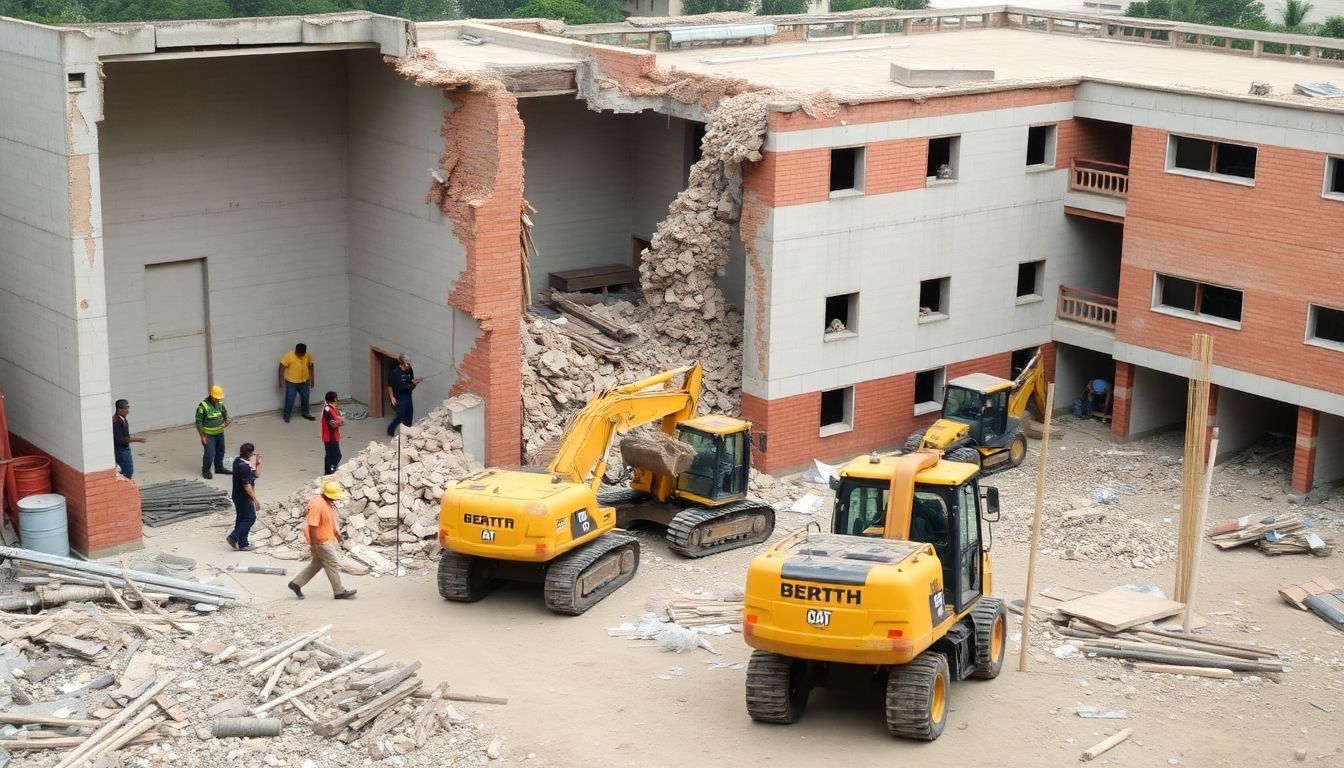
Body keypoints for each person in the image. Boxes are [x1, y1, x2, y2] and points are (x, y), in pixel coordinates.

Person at [287, 482, 357, 600]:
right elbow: (312, 526)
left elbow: (329, 522)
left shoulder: (327, 503)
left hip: (324, 540)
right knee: (332, 563)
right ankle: (339, 591)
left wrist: (337, 535)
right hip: (321, 542)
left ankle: (296, 583)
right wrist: (313, 544)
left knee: (316, 564)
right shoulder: (318, 505)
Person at [227, 443, 262, 551]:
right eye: (251, 453)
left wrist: (258, 463)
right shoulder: (244, 468)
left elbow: (256, 474)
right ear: (248, 453)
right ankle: (233, 537)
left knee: (241, 518)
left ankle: (243, 543)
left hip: (237, 496)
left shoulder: (237, 461)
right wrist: (255, 499)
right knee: (250, 518)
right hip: (244, 497)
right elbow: (246, 485)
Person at [196, 385, 233, 479]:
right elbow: (198, 422)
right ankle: (206, 471)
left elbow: (224, 412)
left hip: (220, 433)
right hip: (209, 435)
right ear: (211, 396)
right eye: (216, 398)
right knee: (210, 453)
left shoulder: (220, 404)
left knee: (220, 451)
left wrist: (226, 420)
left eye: (219, 398)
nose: (218, 400)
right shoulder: (203, 406)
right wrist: (202, 436)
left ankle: (219, 467)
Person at [385, 354, 422, 437]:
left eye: (410, 363)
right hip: (400, 396)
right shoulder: (395, 373)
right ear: (401, 363)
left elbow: (411, 380)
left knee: (409, 415)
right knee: (400, 416)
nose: (410, 365)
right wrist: (392, 397)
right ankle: (390, 431)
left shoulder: (410, 370)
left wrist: (415, 381)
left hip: (408, 395)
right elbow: (390, 386)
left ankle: (406, 433)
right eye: (408, 363)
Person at [278, 343, 316, 423]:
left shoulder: (307, 355)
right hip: (292, 382)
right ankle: (286, 415)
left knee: (305, 398)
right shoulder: (289, 356)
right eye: (299, 354)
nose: (301, 355)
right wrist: (281, 380)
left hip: (304, 381)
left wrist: (312, 379)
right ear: (296, 350)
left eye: (303, 354)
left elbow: (311, 366)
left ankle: (305, 413)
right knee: (290, 399)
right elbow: (281, 366)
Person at [112, 399, 146, 479]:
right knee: (127, 471)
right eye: (126, 408)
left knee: (127, 470)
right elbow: (120, 439)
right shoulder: (116, 422)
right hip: (121, 450)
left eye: (128, 408)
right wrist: (136, 439)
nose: (128, 410)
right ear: (119, 410)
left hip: (123, 449)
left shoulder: (122, 419)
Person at [321, 390, 344, 475]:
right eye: (336, 398)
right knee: (335, 455)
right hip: (330, 437)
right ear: (332, 400)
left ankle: (330, 470)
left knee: (331, 454)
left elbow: (336, 417)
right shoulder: (327, 410)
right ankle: (330, 470)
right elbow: (331, 423)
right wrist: (340, 423)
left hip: (333, 436)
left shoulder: (331, 408)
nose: (337, 400)